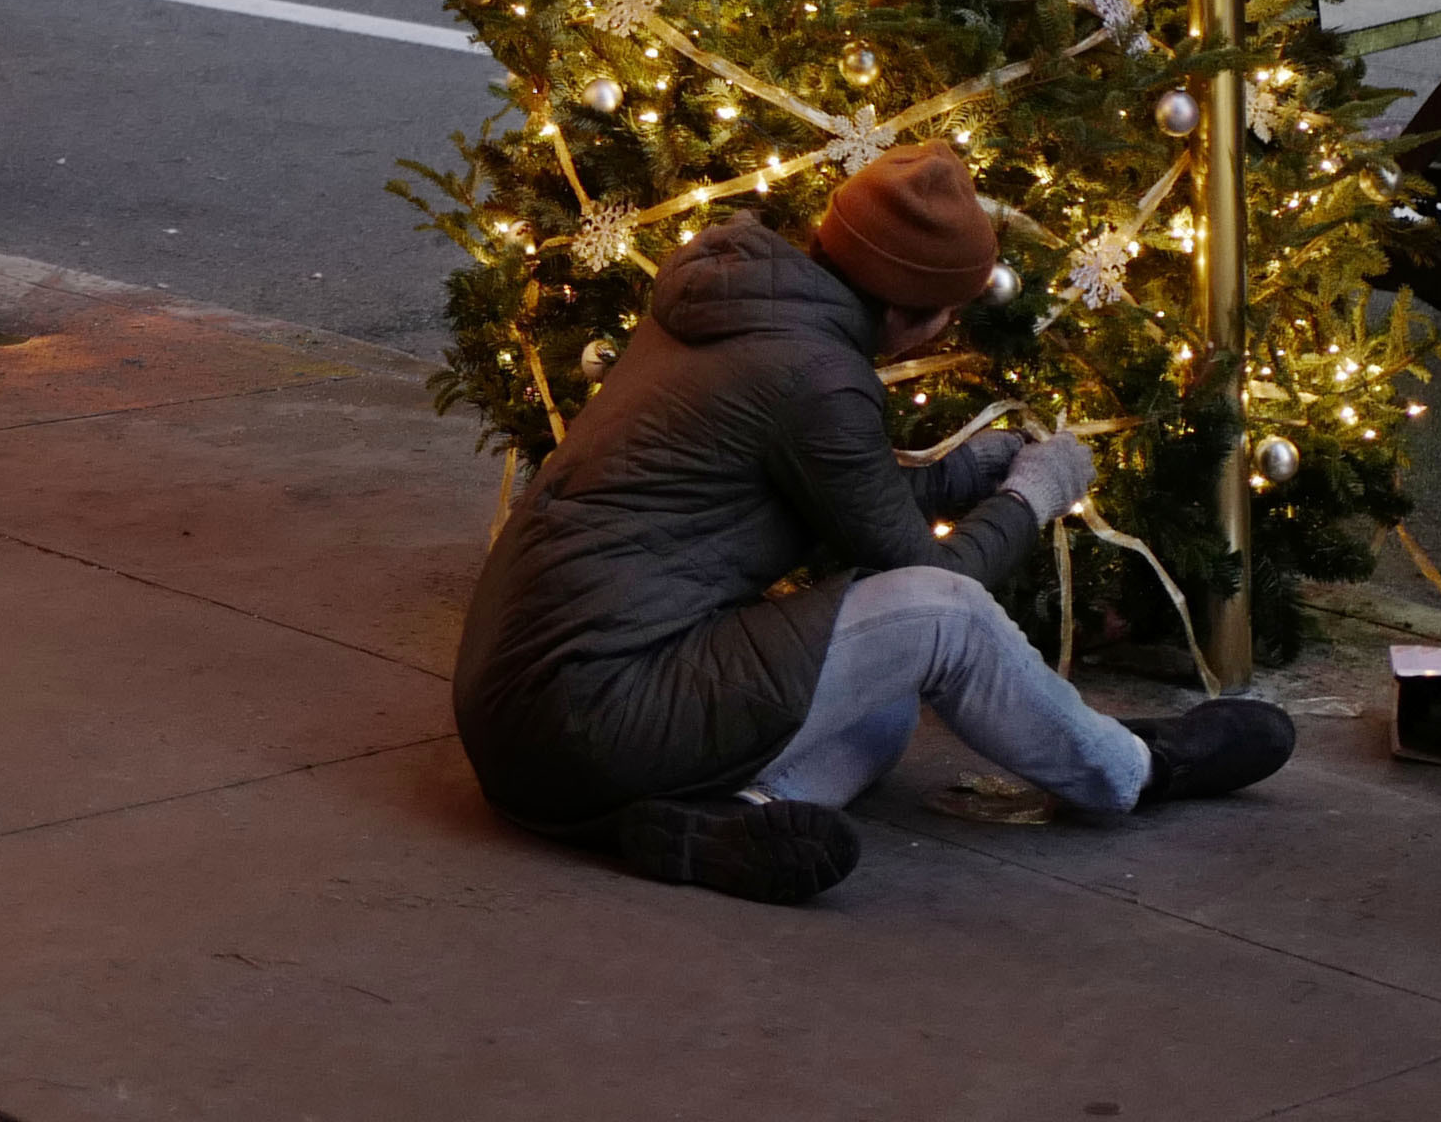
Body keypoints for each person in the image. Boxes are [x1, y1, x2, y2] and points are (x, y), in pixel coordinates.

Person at [449, 142, 1297, 905]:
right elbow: (932, 581)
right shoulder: (816, 374)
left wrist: (965, 471)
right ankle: (1136, 772)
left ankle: (721, 820)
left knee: (883, 705)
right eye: (950, 311)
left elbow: (821, 489)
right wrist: (1032, 496)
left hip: (518, 721)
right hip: (599, 712)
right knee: (940, 617)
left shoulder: (740, 303)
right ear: (911, 311)